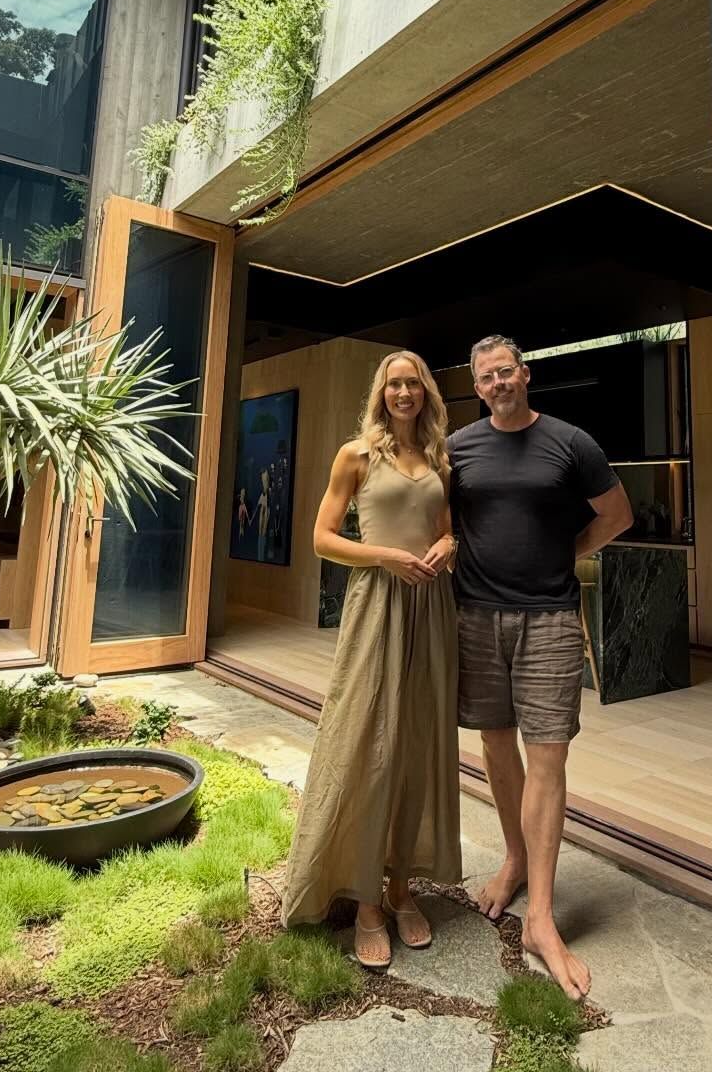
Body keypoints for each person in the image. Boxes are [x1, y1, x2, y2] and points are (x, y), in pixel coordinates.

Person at [450, 334, 632, 1001]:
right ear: (477, 388)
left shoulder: (570, 442)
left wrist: (565, 552)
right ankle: (516, 859)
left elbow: (617, 515)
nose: (498, 382)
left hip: (551, 619)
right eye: (486, 376)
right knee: (496, 745)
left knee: (548, 756)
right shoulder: (458, 449)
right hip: (475, 617)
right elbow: (442, 519)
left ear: (525, 375)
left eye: (506, 371)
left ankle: (542, 919)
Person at [281, 350, 462, 969]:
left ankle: (401, 889)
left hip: (430, 609)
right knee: (370, 746)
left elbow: (445, 528)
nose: (404, 393)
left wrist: (447, 546)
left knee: (415, 746)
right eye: (394, 384)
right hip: (377, 606)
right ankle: (364, 902)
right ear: (381, 393)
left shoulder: (438, 458)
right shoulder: (355, 455)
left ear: (426, 392)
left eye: (414, 383)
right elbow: (321, 539)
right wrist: (385, 556)